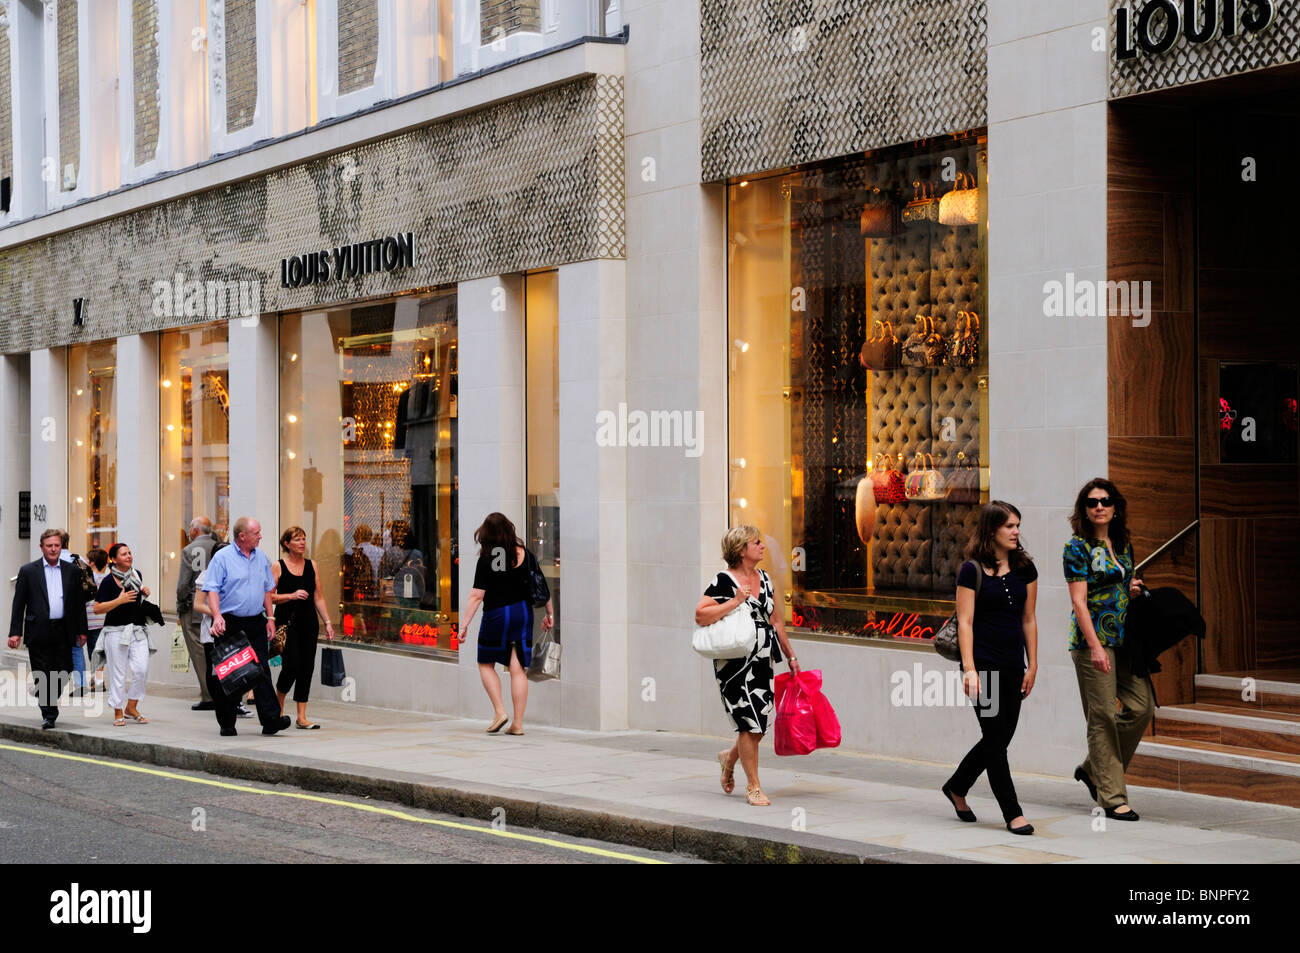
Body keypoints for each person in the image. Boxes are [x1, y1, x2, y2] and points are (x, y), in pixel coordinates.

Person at [941, 501, 1039, 835]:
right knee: (996, 743)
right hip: (983, 665)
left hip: (1014, 664)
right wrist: (969, 669)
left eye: (1017, 525)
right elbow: (965, 622)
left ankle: (957, 785)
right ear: (992, 530)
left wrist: (1033, 665)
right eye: (1009, 526)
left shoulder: (1026, 569)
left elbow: (1029, 619)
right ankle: (1013, 813)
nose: (1016, 532)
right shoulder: (972, 571)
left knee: (997, 737)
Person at [694, 525, 801, 807]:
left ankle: (729, 758)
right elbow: (701, 614)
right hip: (734, 664)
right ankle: (753, 786)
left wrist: (790, 656)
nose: (763, 546)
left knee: (759, 726)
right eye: (756, 543)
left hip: (762, 659)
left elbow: (776, 621)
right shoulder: (724, 581)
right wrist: (735, 601)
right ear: (742, 550)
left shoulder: (765, 579)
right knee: (747, 723)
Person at [1066, 478, 1150, 821]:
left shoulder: (1123, 543)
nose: (1099, 506)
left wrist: (1129, 588)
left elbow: (1118, 581)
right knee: (1101, 717)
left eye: (1105, 500)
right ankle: (1112, 797)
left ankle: (1092, 769)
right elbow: (1079, 602)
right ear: (1084, 510)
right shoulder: (1077, 547)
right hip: (1092, 644)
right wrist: (1095, 647)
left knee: (1142, 708)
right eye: (1092, 502)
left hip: (1124, 640)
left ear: (1116, 507)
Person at [460, 513, 553, 736]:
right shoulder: (526, 555)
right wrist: (549, 614)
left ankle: (500, 711)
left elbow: (476, 595)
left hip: (496, 614)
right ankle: (518, 724)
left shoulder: (486, 558)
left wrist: (463, 625)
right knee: (517, 668)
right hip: (522, 612)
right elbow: (541, 585)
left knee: (485, 663)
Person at [201, 516, 292, 737]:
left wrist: (270, 619)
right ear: (242, 536)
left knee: (261, 670)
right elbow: (211, 589)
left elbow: (267, 591)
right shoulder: (222, 558)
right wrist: (217, 616)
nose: (261, 536)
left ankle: (271, 720)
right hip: (230, 622)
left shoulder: (261, 558)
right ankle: (227, 722)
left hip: (255, 621)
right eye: (256, 533)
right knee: (231, 672)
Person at [7, 529, 89, 729]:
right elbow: (19, 604)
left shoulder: (72, 571)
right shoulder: (28, 571)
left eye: (57, 546)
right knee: (42, 672)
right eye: (49, 545)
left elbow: (79, 604)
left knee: (66, 669)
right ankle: (49, 713)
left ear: (62, 547)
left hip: (64, 629)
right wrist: (15, 632)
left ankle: (47, 697)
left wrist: (82, 630)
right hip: (38, 630)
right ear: (41, 547)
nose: (53, 549)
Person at [271, 526, 335, 729]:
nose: (302, 543)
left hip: (308, 622)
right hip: (287, 623)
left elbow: (318, 596)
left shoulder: (312, 565)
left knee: (307, 667)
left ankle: (301, 716)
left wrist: (327, 622)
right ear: (287, 544)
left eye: (304, 539)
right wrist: (291, 595)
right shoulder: (278, 566)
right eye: (297, 539)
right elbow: (269, 596)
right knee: (291, 666)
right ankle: (278, 708)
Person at [93, 543, 155, 726]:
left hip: (137, 630)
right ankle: (118, 711)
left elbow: (136, 602)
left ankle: (132, 706)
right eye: (124, 554)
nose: (129, 556)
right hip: (115, 632)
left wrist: (144, 592)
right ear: (114, 559)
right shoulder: (108, 581)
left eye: (129, 552)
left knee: (141, 669)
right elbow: (97, 608)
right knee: (118, 673)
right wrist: (118, 601)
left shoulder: (137, 575)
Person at [177, 516, 220, 710]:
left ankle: (208, 695)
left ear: (194, 530)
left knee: (198, 652)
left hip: (195, 604)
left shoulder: (189, 550)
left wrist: (180, 603)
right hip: (218, 603)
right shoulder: (221, 546)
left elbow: (184, 583)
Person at [83, 548, 109, 691]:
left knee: (93, 651)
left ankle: (97, 681)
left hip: (90, 620)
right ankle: (98, 679)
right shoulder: (106, 579)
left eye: (88, 560)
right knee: (99, 651)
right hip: (103, 620)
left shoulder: (88, 578)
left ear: (92, 563)